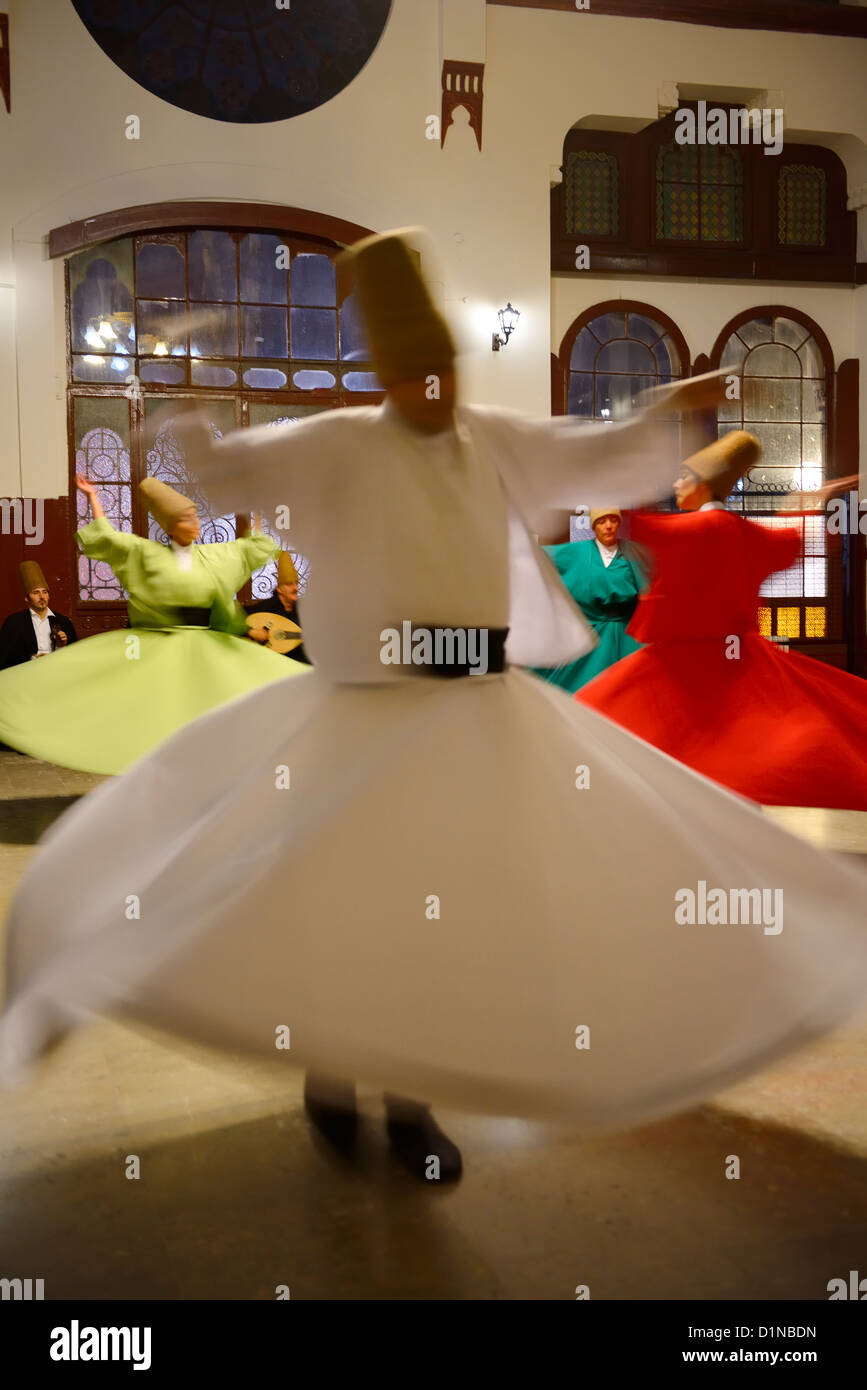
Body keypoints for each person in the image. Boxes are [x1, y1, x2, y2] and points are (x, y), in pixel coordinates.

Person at [1, 232, 865, 1189]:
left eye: (442, 371)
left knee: (445, 917)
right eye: (413, 373)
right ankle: (333, 1076)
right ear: (389, 373)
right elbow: (233, 470)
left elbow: (592, 452)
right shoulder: (333, 440)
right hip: (364, 709)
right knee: (344, 902)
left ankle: (410, 1101)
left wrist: (670, 408)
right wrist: (196, 406)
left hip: (473, 713)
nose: (433, 389)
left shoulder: (491, 436)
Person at [577, 432, 867, 809]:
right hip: (744, 663)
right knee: (762, 746)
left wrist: (633, 454)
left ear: (703, 484)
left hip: (685, 668)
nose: (677, 483)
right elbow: (796, 541)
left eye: (684, 476)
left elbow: (638, 524)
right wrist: (808, 503)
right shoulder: (742, 531)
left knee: (600, 721)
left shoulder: (698, 528)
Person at [0, 475, 305, 775]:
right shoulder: (149, 555)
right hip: (160, 645)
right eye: (187, 519)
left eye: (195, 516)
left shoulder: (212, 557)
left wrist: (257, 514)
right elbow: (112, 540)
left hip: (204, 645)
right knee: (152, 711)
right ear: (173, 527)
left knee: (249, 688)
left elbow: (248, 549)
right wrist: (93, 498)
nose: (195, 523)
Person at [531, 508, 647, 692]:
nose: (608, 526)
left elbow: (650, 580)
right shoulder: (578, 550)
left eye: (612, 520)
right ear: (593, 526)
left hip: (627, 634)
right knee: (587, 684)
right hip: (595, 629)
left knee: (631, 688)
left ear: (619, 522)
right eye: (601, 522)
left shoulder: (632, 551)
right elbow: (542, 555)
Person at [0, 562, 78, 670]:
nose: (42, 597)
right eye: (36, 593)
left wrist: (60, 646)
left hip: (56, 671)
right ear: (27, 598)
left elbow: (74, 658)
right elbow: (4, 657)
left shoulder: (63, 622)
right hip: (26, 674)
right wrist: (32, 659)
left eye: (45, 592)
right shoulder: (14, 622)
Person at [244, 550, 311, 666]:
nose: (295, 588)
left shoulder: (303, 610)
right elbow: (237, 617)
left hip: (298, 666)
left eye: (296, 583)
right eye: (289, 584)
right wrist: (250, 631)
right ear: (279, 589)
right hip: (272, 665)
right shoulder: (266, 607)